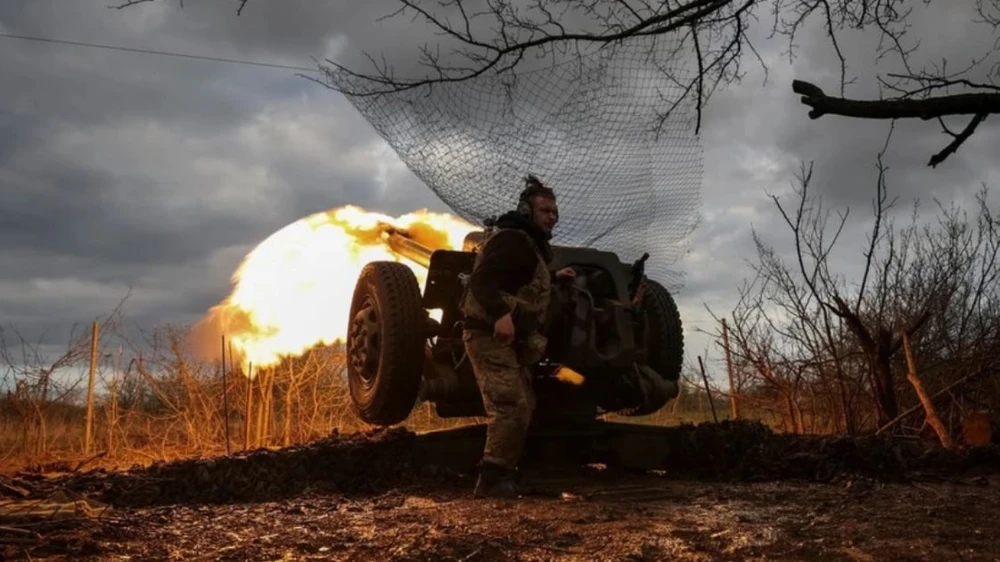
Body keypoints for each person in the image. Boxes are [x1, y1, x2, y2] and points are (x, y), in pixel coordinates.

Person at [460, 174, 575, 498]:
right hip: (488, 335)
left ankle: (506, 472)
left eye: (554, 212)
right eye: (545, 211)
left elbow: (520, 279)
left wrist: (553, 277)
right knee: (509, 405)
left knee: (523, 404)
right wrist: (500, 315)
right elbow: (481, 281)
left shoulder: (529, 245)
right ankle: (492, 481)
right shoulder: (512, 239)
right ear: (527, 212)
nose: (552, 217)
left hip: (511, 342)